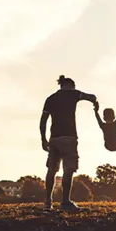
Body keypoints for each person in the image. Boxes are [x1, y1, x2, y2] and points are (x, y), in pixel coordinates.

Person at [40, 75, 97, 211]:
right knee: (68, 169)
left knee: (51, 169)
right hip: (69, 137)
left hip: (54, 138)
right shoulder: (74, 94)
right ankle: (65, 201)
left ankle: (48, 201)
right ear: (71, 85)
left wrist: (43, 138)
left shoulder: (50, 99)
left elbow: (43, 121)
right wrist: (95, 103)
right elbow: (91, 97)